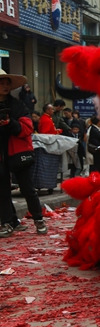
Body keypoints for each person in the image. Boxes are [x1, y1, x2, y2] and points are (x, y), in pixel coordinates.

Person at [0, 69, 47, 237]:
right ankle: (6, 223)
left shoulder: (18, 105)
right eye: (1, 83)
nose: (5, 86)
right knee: (2, 191)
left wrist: (9, 122)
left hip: (18, 152)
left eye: (7, 84)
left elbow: (27, 128)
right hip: (1, 155)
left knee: (28, 189)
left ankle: (39, 219)